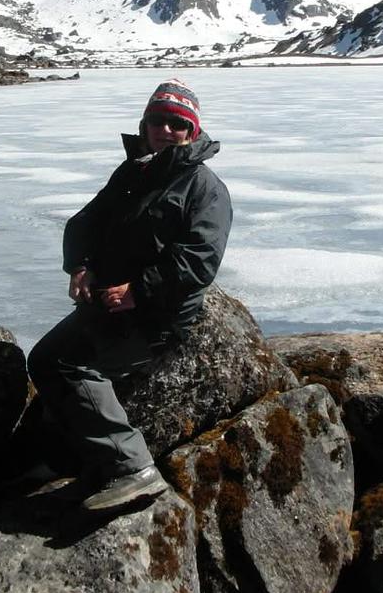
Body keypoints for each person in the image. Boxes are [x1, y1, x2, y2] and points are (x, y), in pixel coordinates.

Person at [27, 78, 232, 510]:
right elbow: (86, 222)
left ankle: (131, 468)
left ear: (192, 131)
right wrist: (81, 265)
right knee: (44, 359)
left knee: (69, 366)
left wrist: (140, 291)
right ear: (145, 125)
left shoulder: (204, 189)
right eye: (158, 120)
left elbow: (199, 261)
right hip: (108, 303)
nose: (166, 130)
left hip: (155, 315)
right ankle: (67, 457)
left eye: (178, 123)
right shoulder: (134, 172)